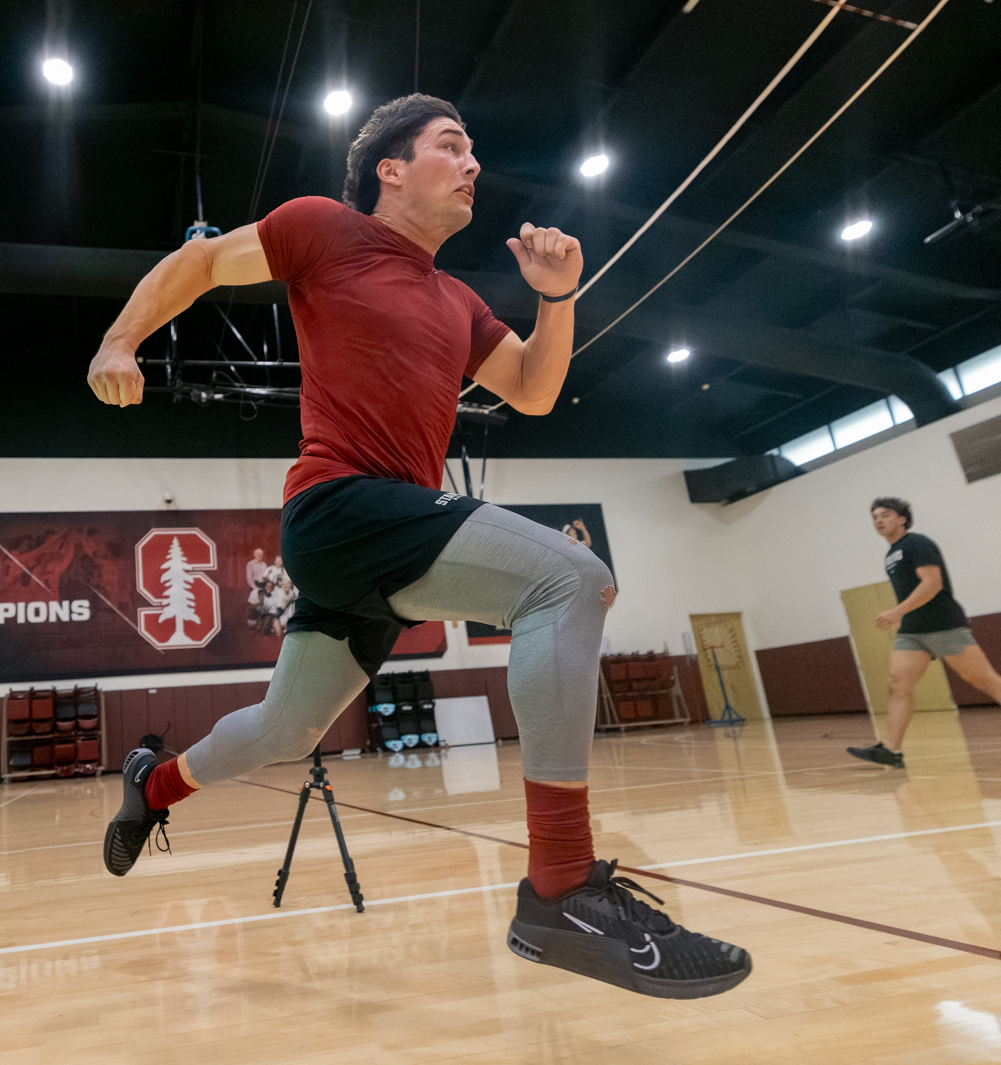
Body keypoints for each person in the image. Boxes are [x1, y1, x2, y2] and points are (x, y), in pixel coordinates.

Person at [86, 94, 750, 999]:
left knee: (289, 727)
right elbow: (203, 261)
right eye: (451, 146)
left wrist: (557, 299)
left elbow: (530, 389)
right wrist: (122, 338)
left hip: (373, 539)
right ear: (390, 169)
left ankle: (153, 785)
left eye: (475, 150)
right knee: (572, 580)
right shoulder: (325, 228)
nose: (473, 163)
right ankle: (560, 885)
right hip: (342, 504)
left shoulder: (458, 300)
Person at [848, 498, 1001, 768]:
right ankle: (890, 750)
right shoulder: (891, 555)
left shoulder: (917, 543)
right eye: (874, 517)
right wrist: (904, 615)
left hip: (942, 623)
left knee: (986, 680)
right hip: (913, 629)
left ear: (902, 519)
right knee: (898, 684)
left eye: (885, 515)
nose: (879, 520)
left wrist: (897, 611)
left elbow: (932, 584)